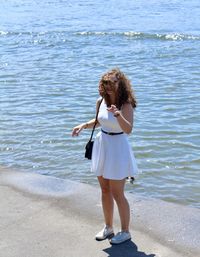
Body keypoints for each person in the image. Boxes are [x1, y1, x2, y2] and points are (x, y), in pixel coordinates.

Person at [72, 68, 138, 245]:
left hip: (118, 148)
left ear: (120, 83)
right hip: (103, 144)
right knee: (104, 189)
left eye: (112, 83)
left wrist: (118, 115)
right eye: (106, 84)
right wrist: (82, 125)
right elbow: (100, 121)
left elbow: (128, 129)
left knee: (118, 193)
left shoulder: (126, 104)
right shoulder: (101, 101)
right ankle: (108, 227)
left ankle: (125, 231)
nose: (109, 87)